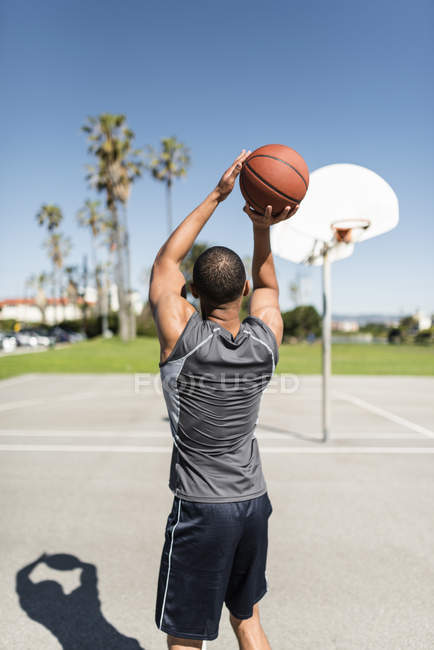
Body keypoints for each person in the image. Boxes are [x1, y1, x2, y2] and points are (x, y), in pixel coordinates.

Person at [149, 151, 297, 649]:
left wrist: (218, 194)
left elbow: (165, 263)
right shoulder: (264, 342)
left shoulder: (181, 338)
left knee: (186, 638)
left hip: (201, 510)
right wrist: (262, 226)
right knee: (247, 618)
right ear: (245, 291)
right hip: (252, 503)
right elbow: (272, 290)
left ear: (192, 293)